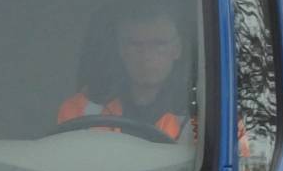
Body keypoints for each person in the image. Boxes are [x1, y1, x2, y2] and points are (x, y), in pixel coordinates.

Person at [57, 9, 191, 139]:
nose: (146, 55)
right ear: (121, 49)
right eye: (135, 45)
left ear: (177, 49)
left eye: (159, 44)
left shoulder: (197, 115)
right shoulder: (81, 110)